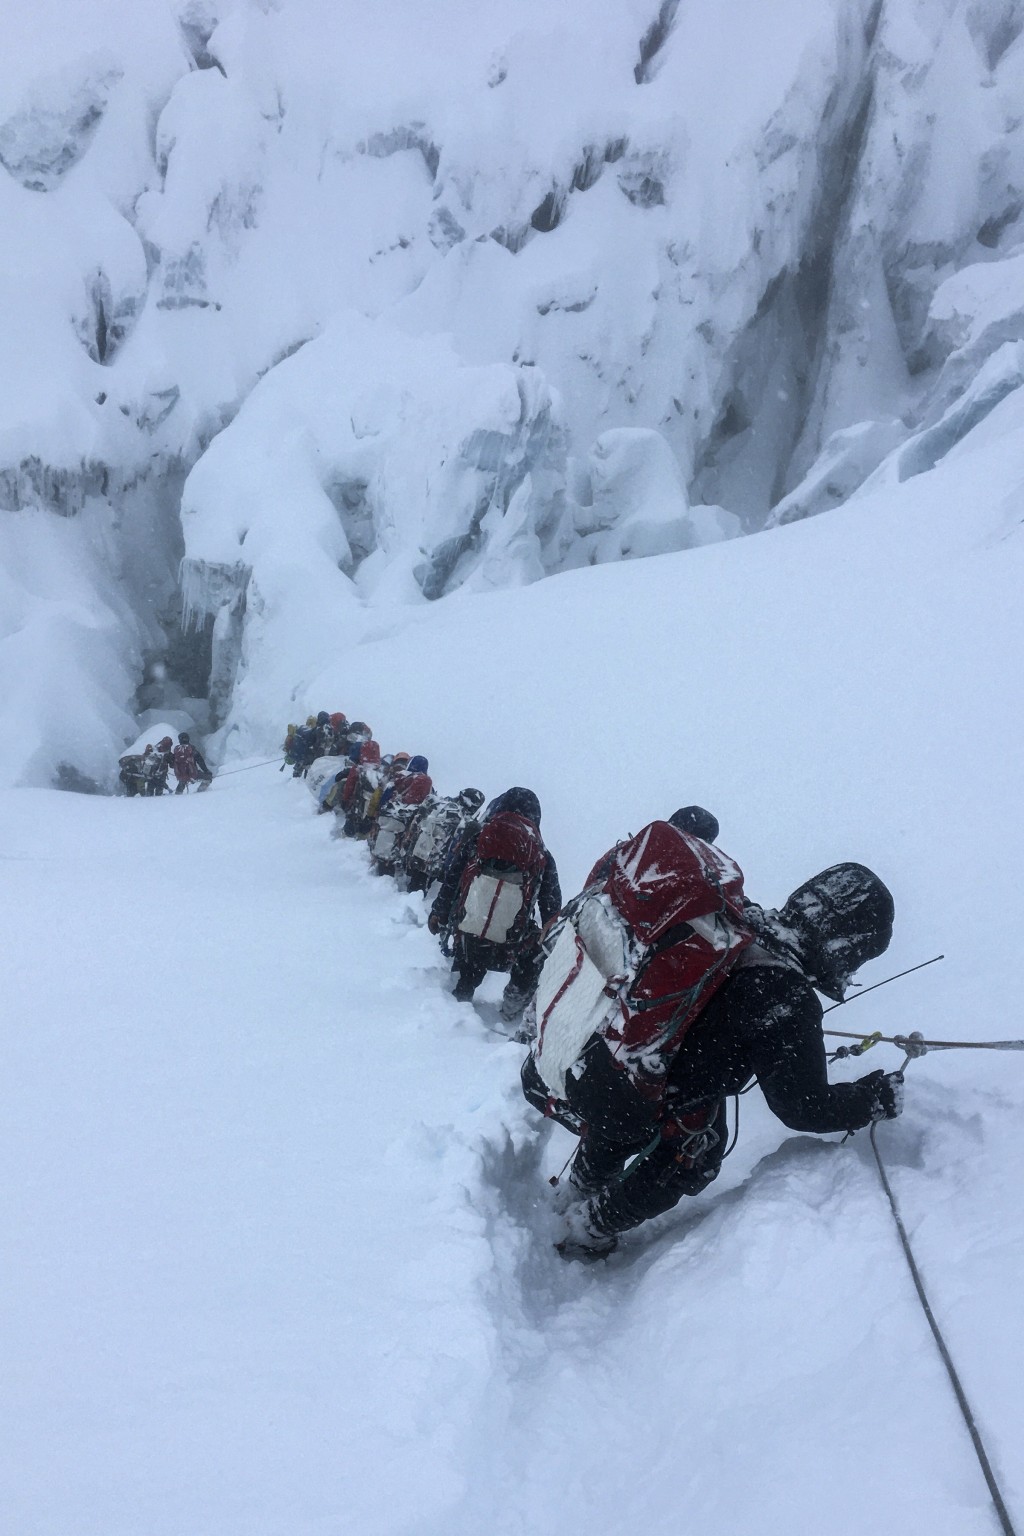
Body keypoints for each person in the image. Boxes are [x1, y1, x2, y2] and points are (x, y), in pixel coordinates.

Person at [522, 859, 902, 1259]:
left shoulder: (737, 920)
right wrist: (872, 1099)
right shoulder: (787, 995)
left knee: (638, 1100)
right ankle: (585, 1231)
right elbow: (804, 1107)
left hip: (600, 1059)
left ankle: (579, 1188)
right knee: (696, 1153)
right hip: (641, 1092)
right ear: (847, 944)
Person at [429, 787, 561, 1018]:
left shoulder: (480, 837)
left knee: (471, 960)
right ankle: (511, 1009)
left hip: (469, 929)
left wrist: (439, 912)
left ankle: (459, 999)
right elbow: (551, 908)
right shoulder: (541, 854)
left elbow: (453, 878)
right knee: (533, 956)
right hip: (510, 940)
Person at [404, 788, 485, 894]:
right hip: (436, 861)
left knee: (414, 883)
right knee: (419, 889)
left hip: (417, 850)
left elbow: (416, 821)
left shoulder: (438, 803)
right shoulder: (468, 822)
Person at [370, 756, 433, 875]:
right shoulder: (427, 784)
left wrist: (380, 812)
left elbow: (385, 798)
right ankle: (395, 872)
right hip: (406, 821)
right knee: (400, 848)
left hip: (389, 815)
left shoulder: (398, 777)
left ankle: (381, 867)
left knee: (385, 844)